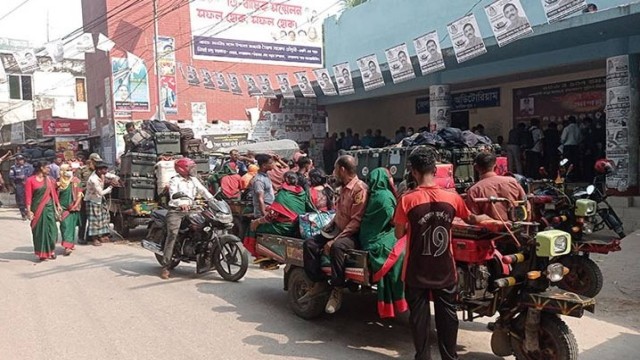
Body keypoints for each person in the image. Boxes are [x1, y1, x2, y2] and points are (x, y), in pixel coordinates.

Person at [393, 147, 490, 360]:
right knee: (448, 316)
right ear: (435, 170)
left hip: (416, 269)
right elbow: (471, 219)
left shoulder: (406, 200)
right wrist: (488, 219)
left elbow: (399, 233)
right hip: (444, 268)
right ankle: (450, 357)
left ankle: (423, 357)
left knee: (419, 319)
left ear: (414, 172)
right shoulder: (452, 197)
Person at [302, 155, 368, 314]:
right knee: (309, 244)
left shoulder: (360, 189)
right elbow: (339, 213)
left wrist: (335, 239)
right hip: (338, 228)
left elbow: (355, 221)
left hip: (352, 234)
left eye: (335, 169)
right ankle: (319, 283)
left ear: (342, 169)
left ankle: (337, 289)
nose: (333, 172)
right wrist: (329, 227)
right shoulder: (342, 187)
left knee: (337, 247)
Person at [359, 168, 407, 318]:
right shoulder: (385, 196)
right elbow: (394, 221)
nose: (392, 180)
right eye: (391, 177)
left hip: (367, 237)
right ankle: (399, 295)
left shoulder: (371, 194)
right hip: (378, 239)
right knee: (402, 249)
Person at [244, 172, 315, 267]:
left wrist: (257, 221)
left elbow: (271, 217)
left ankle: (261, 256)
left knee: (253, 227)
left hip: (284, 227)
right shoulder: (302, 192)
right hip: (298, 225)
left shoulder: (283, 194)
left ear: (285, 181)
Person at [162, 158, 214, 279]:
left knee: (207, 228)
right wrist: (181, 203)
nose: (193, 170)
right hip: (177, 211)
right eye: (190, 167)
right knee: (173, 235)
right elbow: (173, 194)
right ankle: (166, 266)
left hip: (192, 209)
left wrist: (214, 200)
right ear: (181, 169)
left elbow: (204, 191)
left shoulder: (194, 180)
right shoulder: (175, 180)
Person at [466, 153, 527, 221]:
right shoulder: (512, 181)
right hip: (517, 227)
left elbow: (473, 218)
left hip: (490, 230)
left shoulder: (474, 190)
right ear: (495, 165)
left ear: (476, 167)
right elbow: (526, 206)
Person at [25, 161, 61, 261]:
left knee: (52, 230)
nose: (49, 169)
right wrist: (29, 211)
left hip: (49, 208)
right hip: (37, 209)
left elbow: (53, 193)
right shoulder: (30, 180)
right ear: (41, 168)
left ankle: (51, 250)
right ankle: (42, 253)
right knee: (39, 231)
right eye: (47, 168)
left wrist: (58, 205)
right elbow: (28, 197)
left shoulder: (49, 180)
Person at [85, 161, 117, 247]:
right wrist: (111, 186)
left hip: (99, 200)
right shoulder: (93, 179)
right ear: (99, 170)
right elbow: (101, 193)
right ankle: (94, 239)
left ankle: (101, 236)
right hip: (92, 200)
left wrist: (117, 179)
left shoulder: (101, 174)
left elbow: (111, 175)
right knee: (95, 220)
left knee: (103, 218)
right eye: (104, 169)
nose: (106, 171)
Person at [57, 164, 83, 256]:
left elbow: (80, 195)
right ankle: (67, 246)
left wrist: (75, 205)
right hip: (63, 208)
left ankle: (69, 245)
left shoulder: (76, 181)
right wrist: (58, 206)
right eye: (67, 170)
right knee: (65, 226)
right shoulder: (59, 183)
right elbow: (56, 197)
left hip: (73, 208)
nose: (69, 171)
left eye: (70, 169)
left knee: (71, 227)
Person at [10, 155, 34, 220]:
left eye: (21, 159)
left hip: (28, 184)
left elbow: (33, 175)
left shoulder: (29, 166)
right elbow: (11, 177)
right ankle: (23, 214)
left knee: (29, 198)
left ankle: (29, 212)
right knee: (20, 199)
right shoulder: (13, 167)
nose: (20, 161)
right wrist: (18, 178)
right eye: (18, 160)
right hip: (19, 184)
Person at [252, 154, 276, 218]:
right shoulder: (259, 180)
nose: (273, 164)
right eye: (270, 163)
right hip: (263, 212)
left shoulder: (266, 176)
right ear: (264, 165)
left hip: (270, 208)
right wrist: (264, 214)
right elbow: (260, 198)